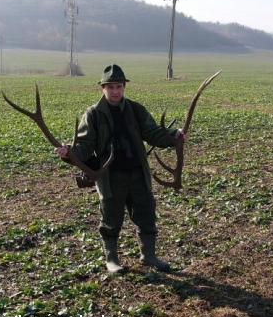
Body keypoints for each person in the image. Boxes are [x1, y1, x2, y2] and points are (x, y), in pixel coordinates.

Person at [55, 64, 188, 273]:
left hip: (137, 172)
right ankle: (112, 259)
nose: (115, 91)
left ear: (124, 87)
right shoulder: (93, 115)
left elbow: (153, 133)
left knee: (146, 213)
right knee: (111, 217)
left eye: (118, 86)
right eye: (110, 87)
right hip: (110, 176)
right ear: (102, 88)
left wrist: (174, 135)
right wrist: (70, 153)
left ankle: (149, 256)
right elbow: (85, 145)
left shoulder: (136, 109)